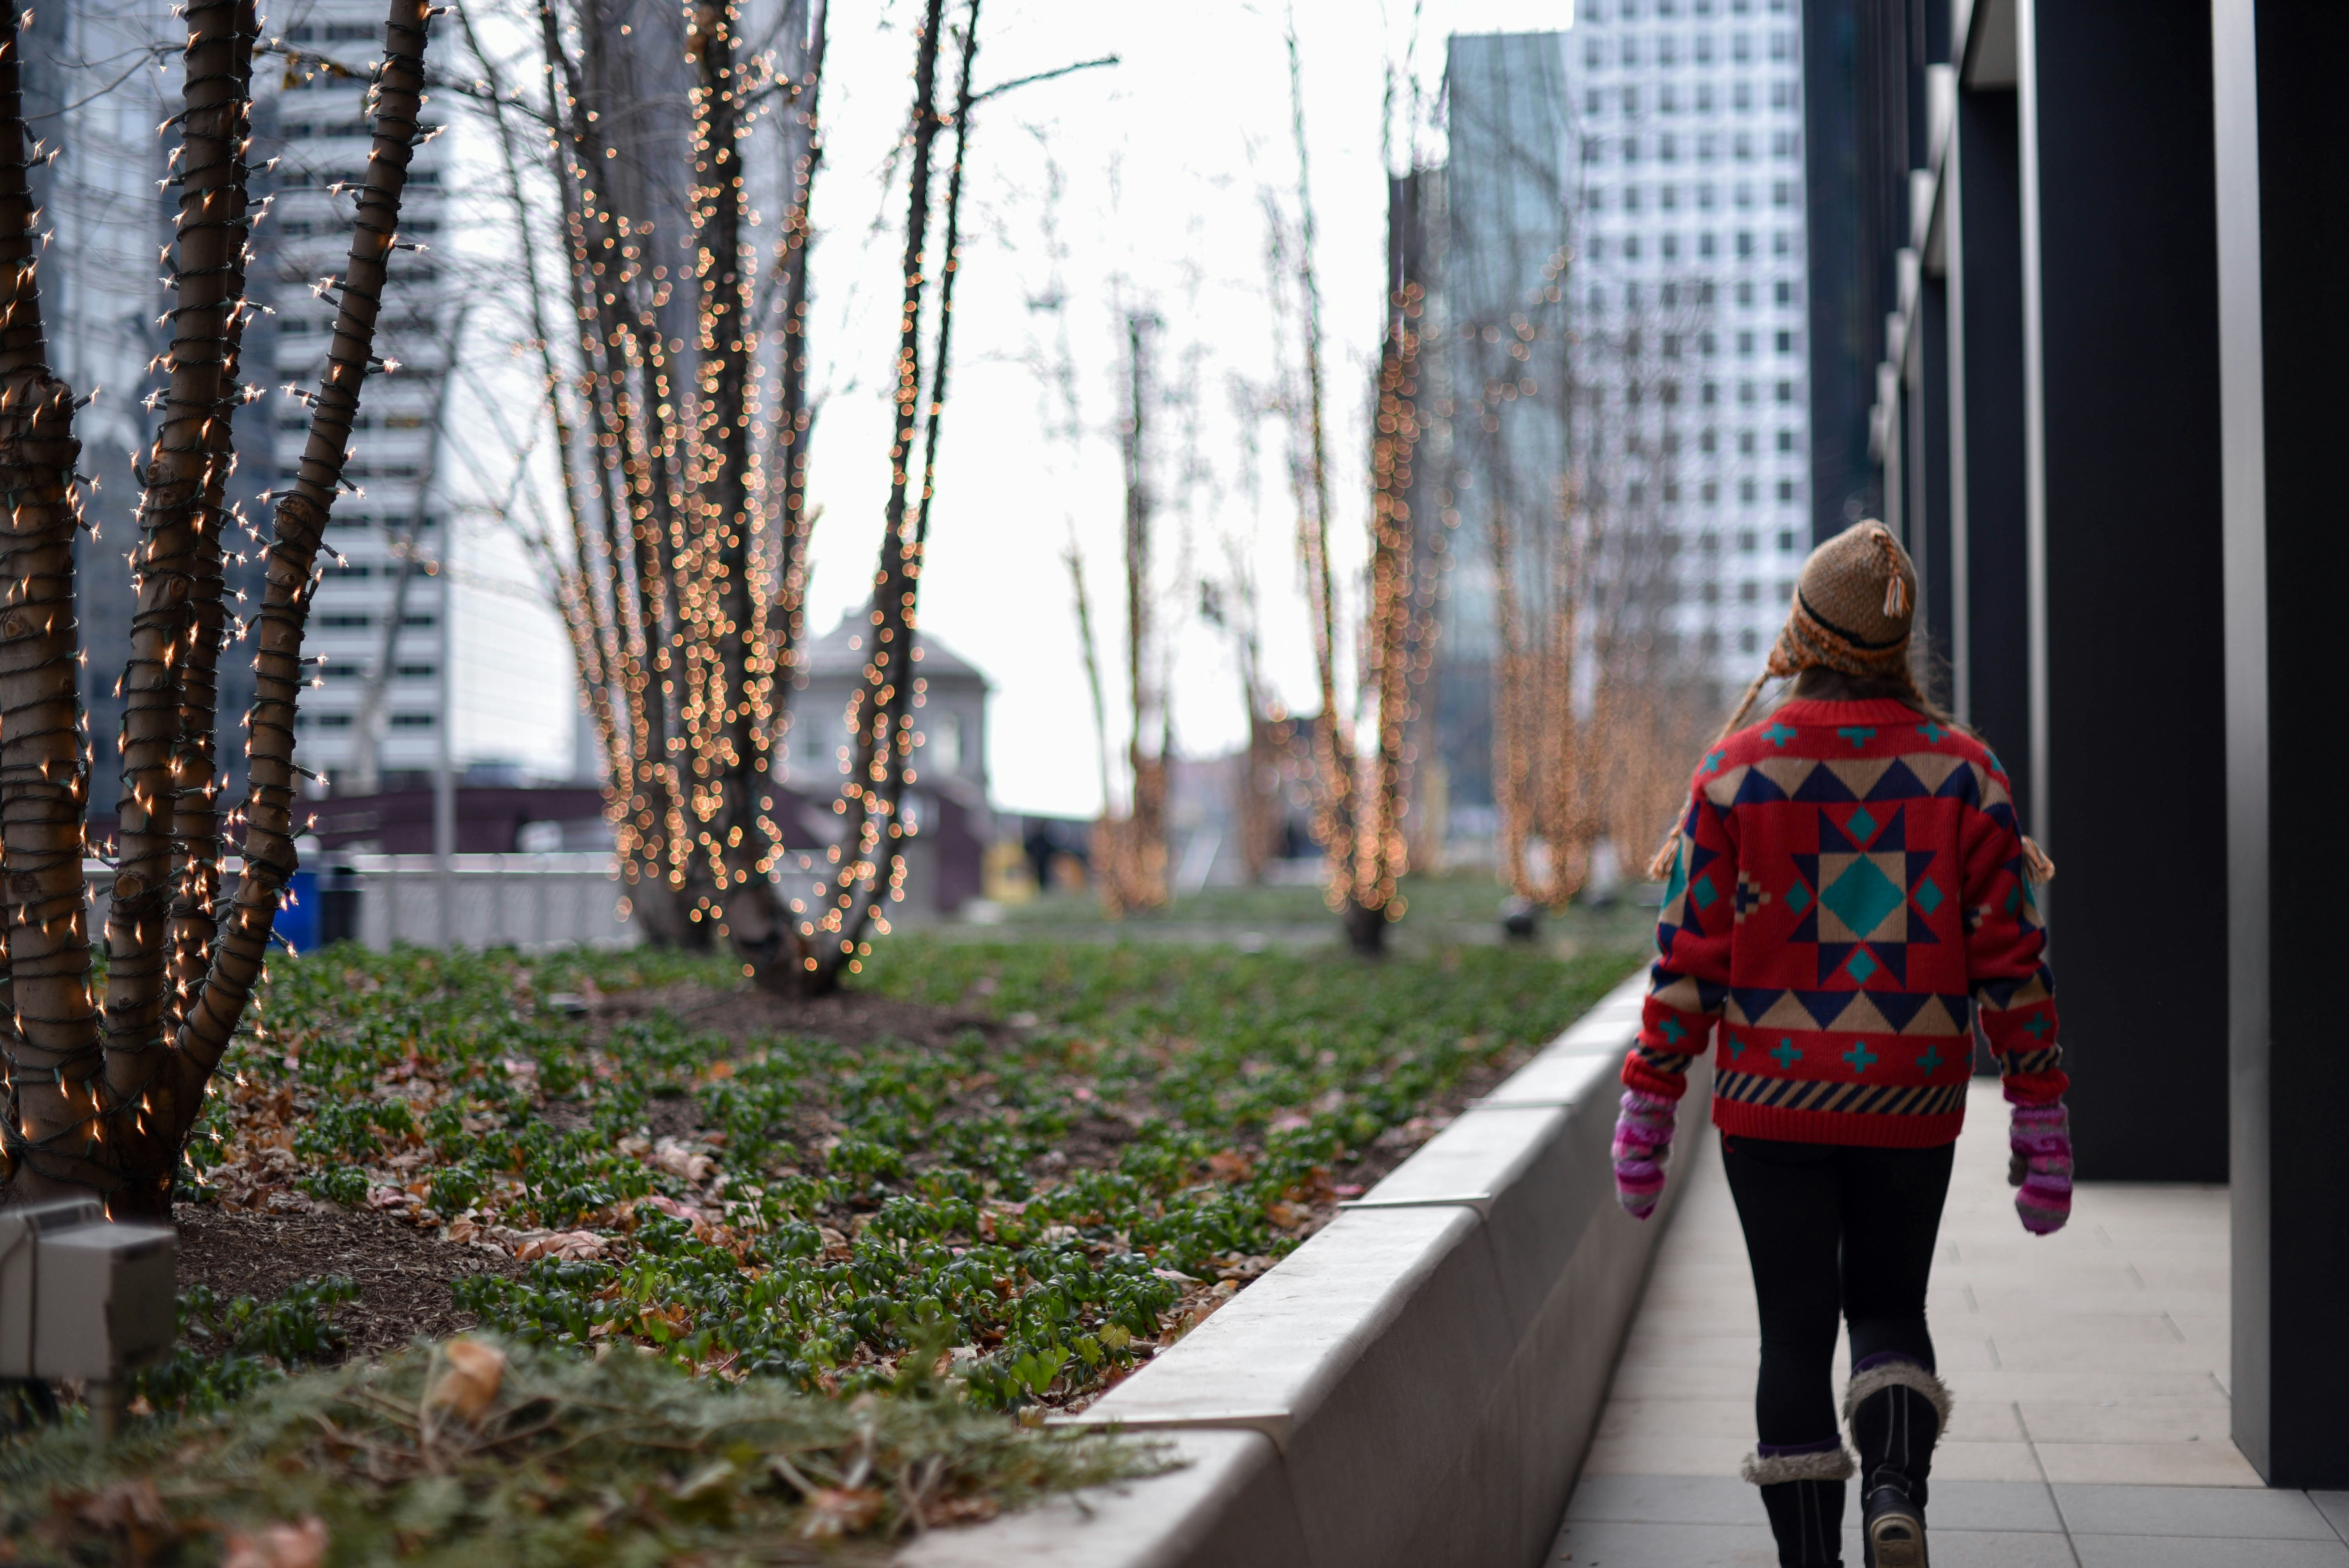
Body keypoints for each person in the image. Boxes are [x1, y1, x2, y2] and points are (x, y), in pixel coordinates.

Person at [1608, 521, 2073, 1568]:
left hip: (1768, 1105)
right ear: (1898, 651)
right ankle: (1895, 1500)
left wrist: (1650, 1101)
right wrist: (2040, 1111)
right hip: (1913, 1097)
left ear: (1802, 637)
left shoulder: (1735, 772)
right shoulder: (1966, 774)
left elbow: (1689, 958)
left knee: (1793, 1330)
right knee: (1891, 1304)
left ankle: (1812, 1559)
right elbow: (2012, 958)